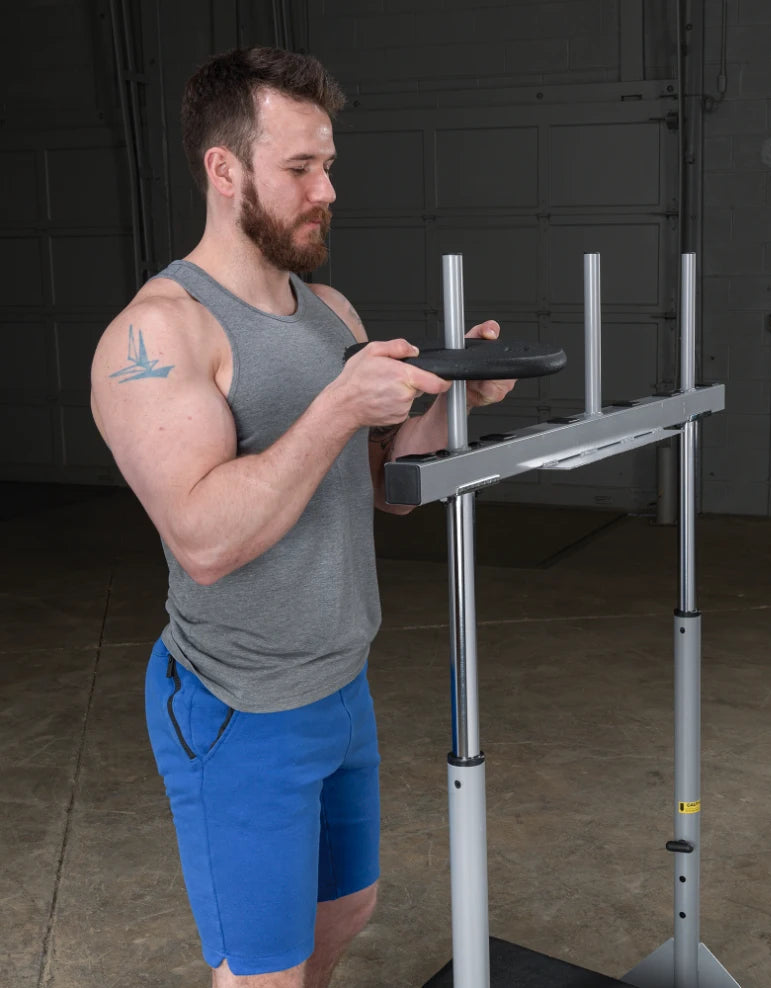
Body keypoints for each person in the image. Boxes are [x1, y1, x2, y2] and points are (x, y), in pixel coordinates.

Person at [89, 46, 514, 988]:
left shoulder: (327, 310)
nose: (327, 190)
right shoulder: (158, 332)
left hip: (337, 683)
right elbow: (203, 541)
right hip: (240, 705)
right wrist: (335, 405)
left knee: (346, 911)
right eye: (300, 169)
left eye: (329, 165)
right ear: (224, 169)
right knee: (261, 972)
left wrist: (457, 404)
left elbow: (378, 483)